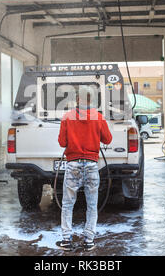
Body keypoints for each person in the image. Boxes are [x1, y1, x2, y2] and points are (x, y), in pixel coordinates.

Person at [56, 86, 113, 251]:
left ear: (76, 99)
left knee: (67, 204)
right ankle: (89, 240)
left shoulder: (67, 117)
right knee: (92, 204)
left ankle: (66, 240)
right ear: (91, 99)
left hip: (73, 164)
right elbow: (108, 139)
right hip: (91, 165)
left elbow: (62, 142)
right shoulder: (98, 117)